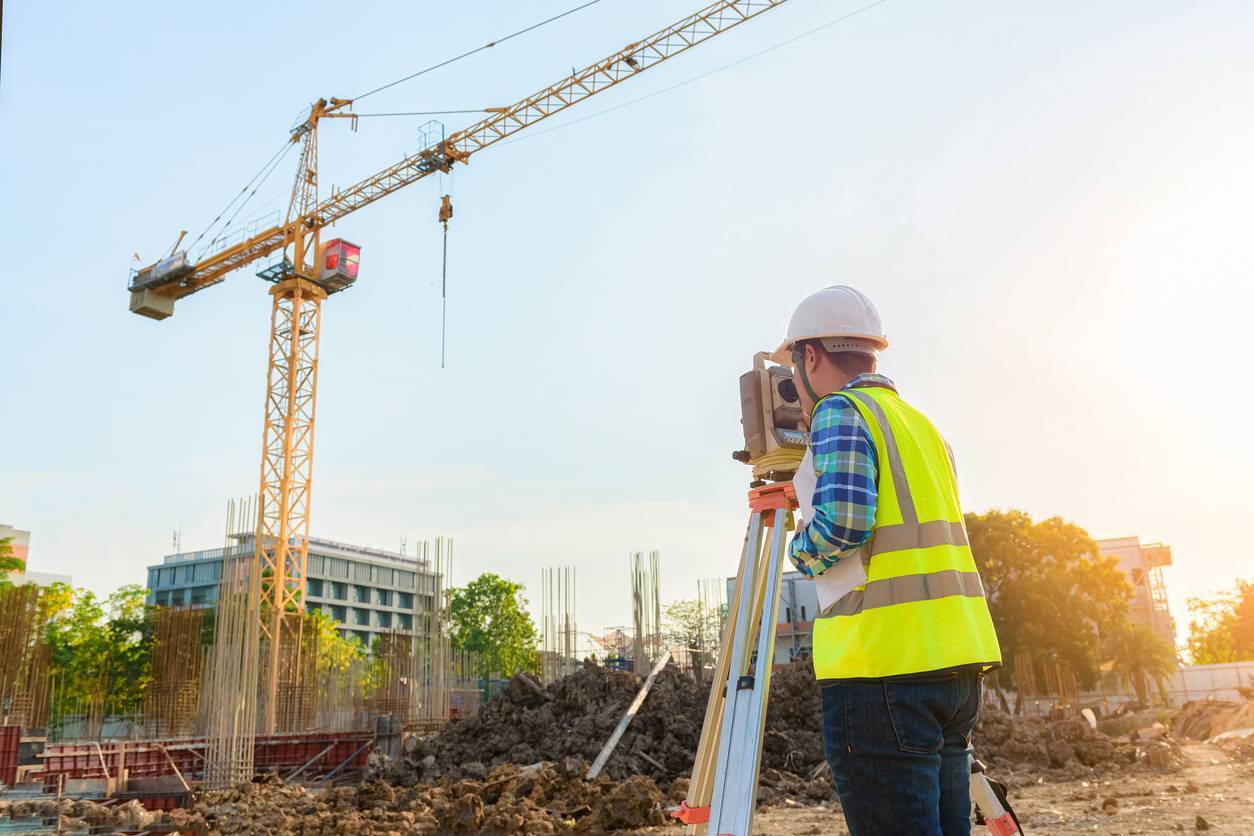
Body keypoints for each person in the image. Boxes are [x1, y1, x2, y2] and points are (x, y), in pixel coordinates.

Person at [772, 285, 1002, 836]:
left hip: (883, 670)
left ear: (809, 356)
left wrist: (798, 546)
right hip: (954, 666)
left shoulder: (840, 412)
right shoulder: (922, 426)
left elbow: (843, 527)